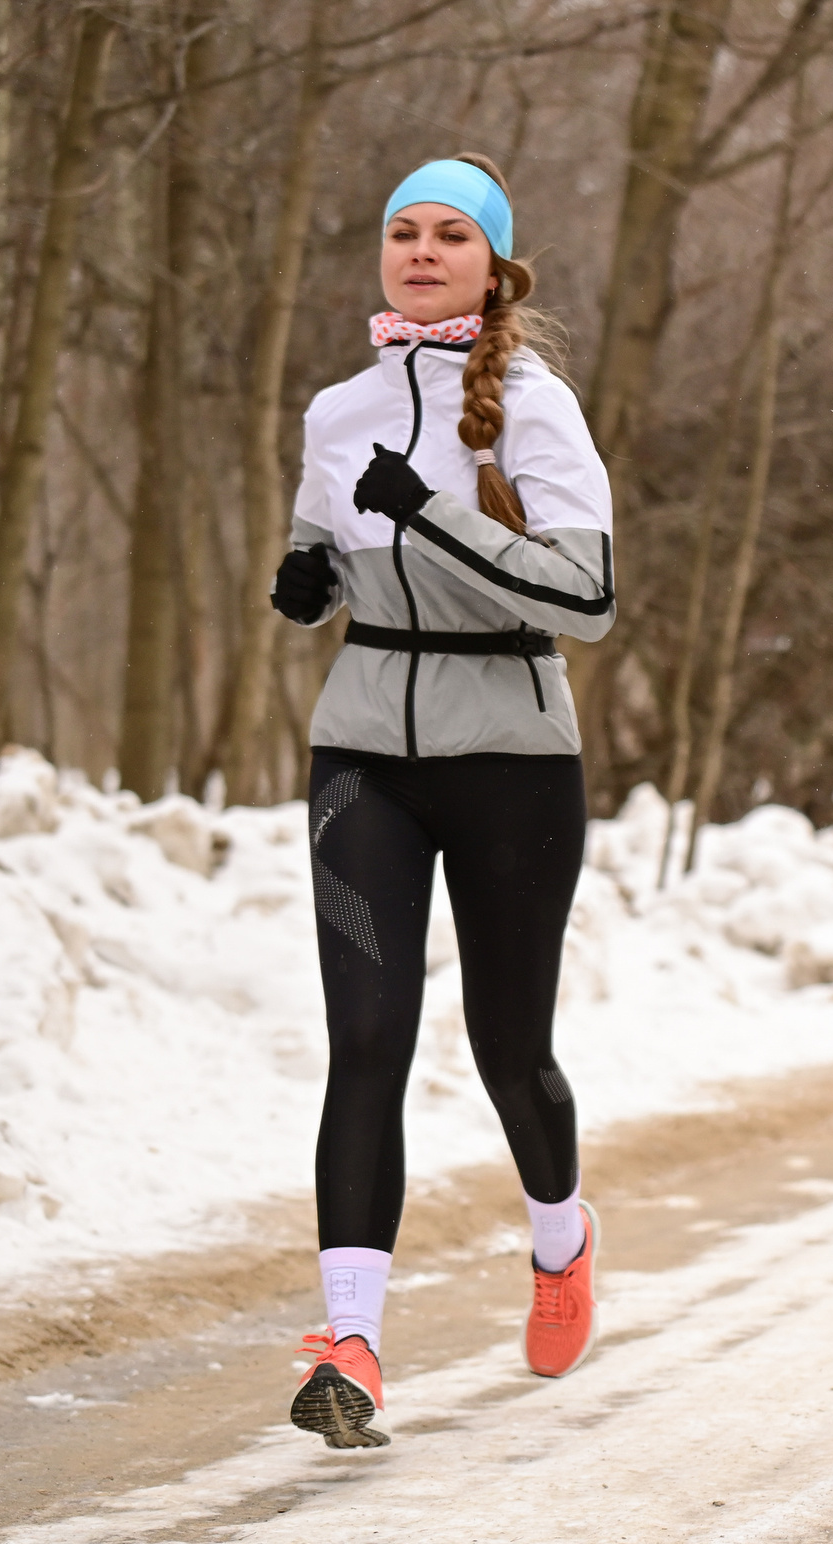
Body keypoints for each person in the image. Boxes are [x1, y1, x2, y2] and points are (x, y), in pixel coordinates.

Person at [270, 155, 616, 1449]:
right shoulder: (335, 410)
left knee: (506, 1048)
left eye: (448, 235)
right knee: (366, 1043)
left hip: (512, 755)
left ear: (493, 266)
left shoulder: (536, 411)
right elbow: (319, 544)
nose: (419, 251)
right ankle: (350, 1342)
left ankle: (559, 1236)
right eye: (401, 232)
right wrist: (308, 581)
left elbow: (586, 602)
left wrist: (432, 516)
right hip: (362, 748)